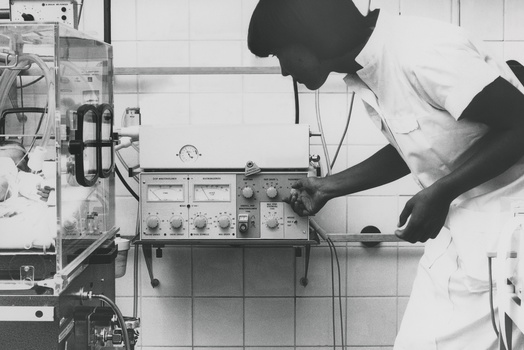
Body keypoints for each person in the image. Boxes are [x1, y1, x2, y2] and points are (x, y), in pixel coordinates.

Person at [248, 0, 524, 349]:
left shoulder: (423, 51)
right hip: (461, 238)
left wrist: (441, 192)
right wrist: (329, 187)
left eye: (278, 54)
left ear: (309, 35)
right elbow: (416, 144)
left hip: (507, 238)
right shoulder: (370, 71)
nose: (285, 71)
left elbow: (520, 123)